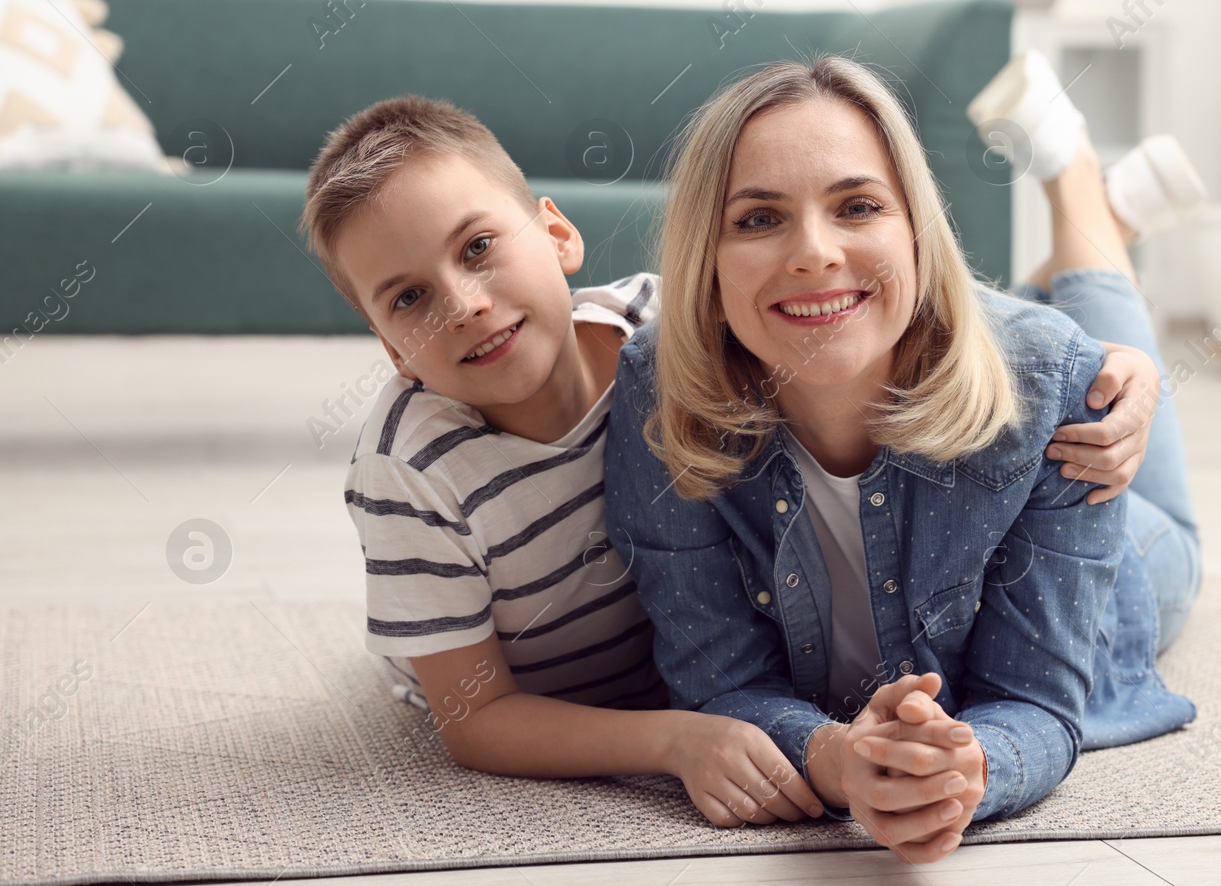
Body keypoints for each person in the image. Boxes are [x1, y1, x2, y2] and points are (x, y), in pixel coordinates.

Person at [298, 93, 1160, 828]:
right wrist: (678, 737)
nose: (464, 305)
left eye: (478, 246)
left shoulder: (663, 322)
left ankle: (1085, 203)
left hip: (1102, 543)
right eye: (409, 298)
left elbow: (873, 293)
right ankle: (1096, 226)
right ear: (389, 346)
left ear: (556, 233)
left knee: (1117, 448)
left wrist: (1117, 368)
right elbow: (473, 716)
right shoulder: (416, 464)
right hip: (604, 684)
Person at [604, 54, 1204, 863]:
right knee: (1016, 339)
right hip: (954, 324)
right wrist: (840, 761)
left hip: (1131, 565)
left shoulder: (1050, 381)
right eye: (757, 219)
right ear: (704, 262)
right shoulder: (657, 386)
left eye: (857, 205)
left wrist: (964, 771)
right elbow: (716, 679)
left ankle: (1078, 183)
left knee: (1104, 377)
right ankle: (1105, 220)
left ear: (916, 230)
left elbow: (1032, 700)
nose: (813, 251)